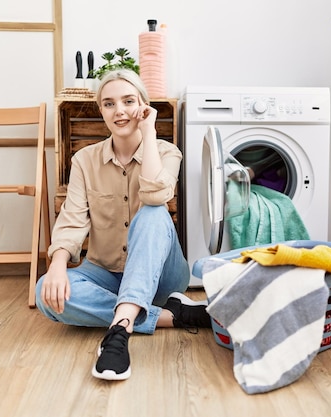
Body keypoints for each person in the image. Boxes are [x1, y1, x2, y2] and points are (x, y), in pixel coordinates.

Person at [35, 69, 211, 381]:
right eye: (109, 104)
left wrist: (150, 133)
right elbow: (72, 220)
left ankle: (119, 332)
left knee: (154, 210)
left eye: (129, 101)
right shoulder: (84, 160)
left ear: (143, 105)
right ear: (100, 111)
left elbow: (157, 193)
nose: (119, 111)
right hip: (105, 272)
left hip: (162, 278)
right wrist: (58, 264)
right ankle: (173, 315)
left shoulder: (168, 152)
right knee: (45, 294)